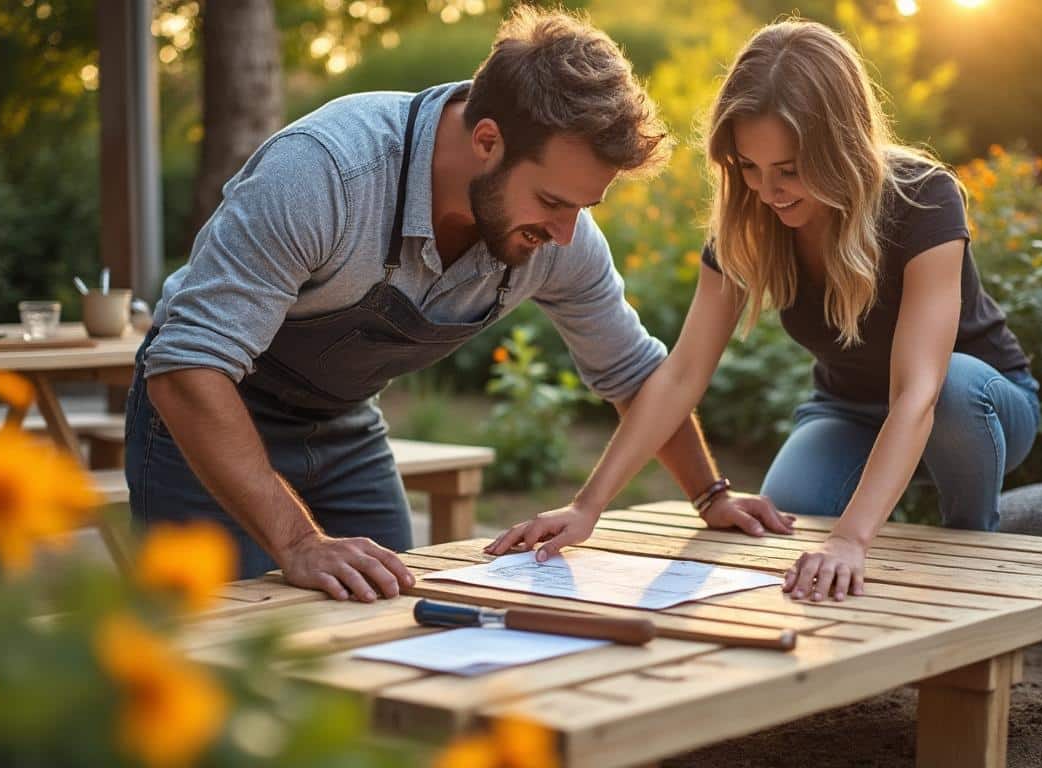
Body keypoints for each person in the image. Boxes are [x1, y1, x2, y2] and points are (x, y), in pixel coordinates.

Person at [125, 8, 786, 601]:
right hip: (206, 417)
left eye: (582, 210)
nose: (563, 234)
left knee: (398, 620)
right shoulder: (324, 174)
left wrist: (710, 494)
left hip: (343, 425)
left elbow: (636, 376)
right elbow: (189, 366)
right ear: (487, 141)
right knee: (224, 659)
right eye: (553, 203)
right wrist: (298, 542)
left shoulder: (563, 234)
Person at [487, 20, 1039, 604]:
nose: (769, 191)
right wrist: (587, 505)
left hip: (977, 408)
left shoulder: (923, 197)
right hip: (850, 412)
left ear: (840, 146)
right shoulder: (749, 219)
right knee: (790, 522)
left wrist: (852, 539)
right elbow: (680, 375)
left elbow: (919, 393)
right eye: (751, 167)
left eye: (790, 169)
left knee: (950, 386)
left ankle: (973, 555)